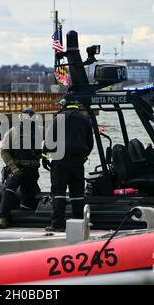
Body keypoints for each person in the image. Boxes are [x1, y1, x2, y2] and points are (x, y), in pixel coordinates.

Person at [43, 94, 94, 232]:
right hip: (78, 162)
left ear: (64, 103)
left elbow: (49, 140)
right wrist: (83, 156)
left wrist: (44, 156)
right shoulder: (85, 120)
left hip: (60, 161)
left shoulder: (59, 118)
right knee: (77, 193)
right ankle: (78, 224)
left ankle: (58, 224)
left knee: (58, 192)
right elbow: (90, 143)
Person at [0, 108, 43, 229]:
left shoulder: (40, 131)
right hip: (17, 170)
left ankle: (27, 210)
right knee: (9, 190)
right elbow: (4, 152)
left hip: (32, 171)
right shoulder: (13, 132)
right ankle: (3, 217)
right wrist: (13, 168)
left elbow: (47, 148)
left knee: (31, 198)